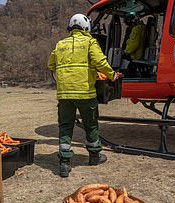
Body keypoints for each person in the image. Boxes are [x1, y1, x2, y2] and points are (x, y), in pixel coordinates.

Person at [48, 14, 122, 177]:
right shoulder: (90, 42)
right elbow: (100, 62)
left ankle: (64, 163)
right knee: (91, 125)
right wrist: (112, 75)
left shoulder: (60, 44)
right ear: (86, 27)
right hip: (85, 94)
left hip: (65, 95)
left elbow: (51, 64)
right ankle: (94, 156)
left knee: (65, 126)